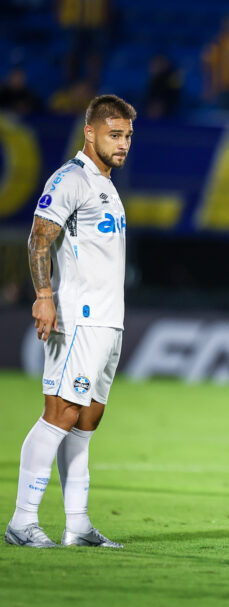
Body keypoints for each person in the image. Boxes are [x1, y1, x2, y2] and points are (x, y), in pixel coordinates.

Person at [5, 94, 136, 549]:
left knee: (87, 420)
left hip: (107, 321)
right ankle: (22, 522)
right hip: (78, 319)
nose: (122, 144)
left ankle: (77, 525)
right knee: (59, 414)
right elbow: (39, 238)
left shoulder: (107, 185)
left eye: (127, 136)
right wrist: (44, 296)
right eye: (114, 135)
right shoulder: (71, 179)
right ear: (91, 132)